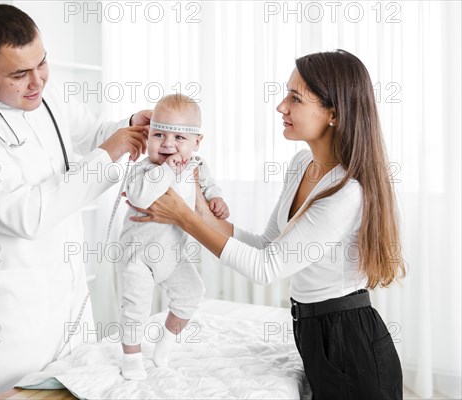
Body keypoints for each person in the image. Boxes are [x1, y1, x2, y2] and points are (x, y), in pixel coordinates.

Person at [129, 50, 405, 399]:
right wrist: (197, 208)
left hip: (349, 344)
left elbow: (265, 268)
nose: (281, 107)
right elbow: (266, 245)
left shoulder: (346, 192)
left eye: (295, 98)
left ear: (333, 113)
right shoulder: (302, 163)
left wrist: (182, 218)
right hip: (311, 330)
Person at [0, 4, 151, 398]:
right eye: (19, 74)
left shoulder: (44, 94)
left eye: (42, 63)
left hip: (69, 297)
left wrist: (131, 125)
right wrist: (108, 152)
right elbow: (26, 216)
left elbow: (93, 133)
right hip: (13, 318)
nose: (38, 82)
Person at [117, 94, 228, 380]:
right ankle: (130, 357)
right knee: (135, 309)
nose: (167, 144)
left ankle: (165, 341)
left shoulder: (196, 166)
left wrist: (216, 199)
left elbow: (208, 185)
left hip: (172, 255)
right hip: (138, 256)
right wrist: (166, 170)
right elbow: (140, 197)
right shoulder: (144, 170)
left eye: (179, 136)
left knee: (193, 292)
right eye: (159, 134)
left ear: (196, 143)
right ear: (148, 135)